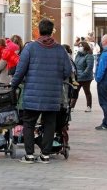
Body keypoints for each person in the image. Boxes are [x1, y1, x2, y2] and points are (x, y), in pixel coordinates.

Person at [11, 18, 71, 164]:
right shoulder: (60, 49)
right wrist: (57, 78)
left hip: (33, 94)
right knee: (50, 123)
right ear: (51, 31)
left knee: (29, 123)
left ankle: (29, 155)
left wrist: (14, 85)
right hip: (53, 94)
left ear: (39, 30)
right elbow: (68, 71)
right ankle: (45, 155)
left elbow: (20, 70)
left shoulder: (30, 48)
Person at [71, 41, 94, 112]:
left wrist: (82, 74)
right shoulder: (78, 55)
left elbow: (89, 67)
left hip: (86, 78)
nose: (79, 47)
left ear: (85, 47)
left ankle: (89, 106)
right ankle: (72, 106)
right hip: (77, 77)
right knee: (75, 91)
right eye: (79, 46)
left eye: (81, 46)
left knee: (87, 92)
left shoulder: (89, 55)